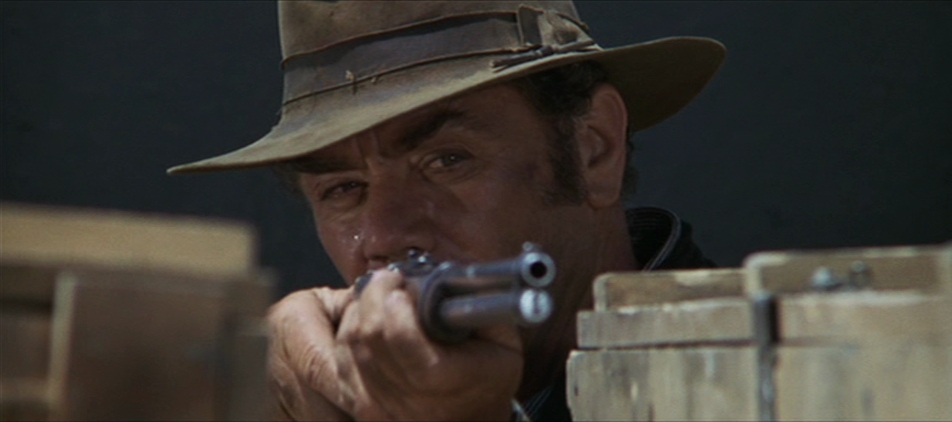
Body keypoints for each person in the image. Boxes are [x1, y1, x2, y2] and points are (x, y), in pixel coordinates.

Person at [169, 1, 725, 420]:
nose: (385, 234)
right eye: (343, 189)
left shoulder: (760, 370)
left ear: (594, 148)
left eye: (446, 160)